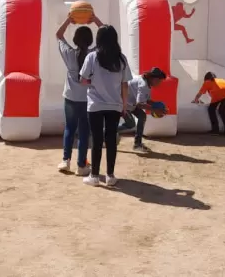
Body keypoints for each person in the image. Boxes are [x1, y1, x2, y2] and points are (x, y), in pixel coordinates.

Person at [79, 25, 130, 187]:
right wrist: (124, 105)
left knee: (96, 139)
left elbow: (82, 80)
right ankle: (110, 175)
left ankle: (94, 175)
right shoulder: (121, 59)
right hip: (114, 105)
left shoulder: (92, 57)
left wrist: (92, 82)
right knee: (111, 140)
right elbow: (125, 84)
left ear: (98, 39)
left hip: (95, 104)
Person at [55, 12, 104, 175]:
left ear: (75, 40)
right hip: (87, 100)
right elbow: (105, 36)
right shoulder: (94, 55)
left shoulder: (69, 53)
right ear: (91, 41)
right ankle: (81, 165)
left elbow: (59, 35)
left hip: (70, 97)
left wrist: (69, 20)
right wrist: (95, 20)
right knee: (84, 132)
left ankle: (65, 161)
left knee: (69, 128)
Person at [120, 67, 167, 153]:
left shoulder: (147, 83)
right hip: (121, 104)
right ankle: (105, 133)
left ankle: (137, 144)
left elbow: (146, 100)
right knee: (130, 124)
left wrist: (158, 106)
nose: (160, 83)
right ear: (154, 79)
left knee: (142, 116)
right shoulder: (143, 85)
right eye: (160, 81)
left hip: (130, 103)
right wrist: (155, 109)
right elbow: (140, 104)